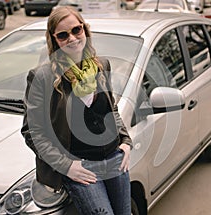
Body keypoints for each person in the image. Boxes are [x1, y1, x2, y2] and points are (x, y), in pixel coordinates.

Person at [21, 6, 132, 215]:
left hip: (115, 160)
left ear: (85, 30)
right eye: (63, 35)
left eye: (76, 30)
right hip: (81, 169)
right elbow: (32, 133)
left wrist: (125, 141)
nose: (72, 38)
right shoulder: (43, 78)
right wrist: (66, 166)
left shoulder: (101, 66)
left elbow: (111, 110)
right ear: (54, 40)